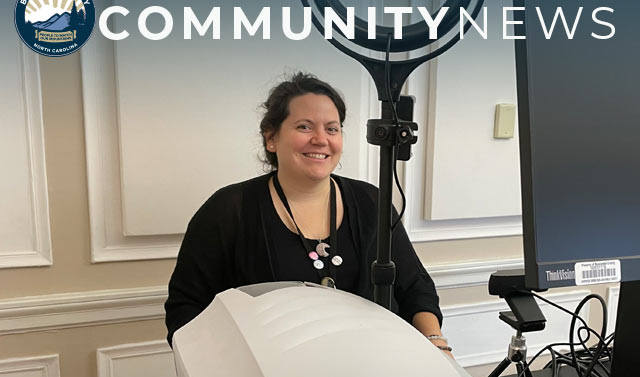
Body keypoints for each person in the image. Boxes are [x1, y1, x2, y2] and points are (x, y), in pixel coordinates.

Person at [165, 72, 449, 355]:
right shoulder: (228, 210)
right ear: (271, 138)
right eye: (304, 127)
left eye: (332, 128)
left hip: (374, 368)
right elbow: (187, 309)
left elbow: (415, 288)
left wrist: (436, 342)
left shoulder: (371, 201)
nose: (320, 139)